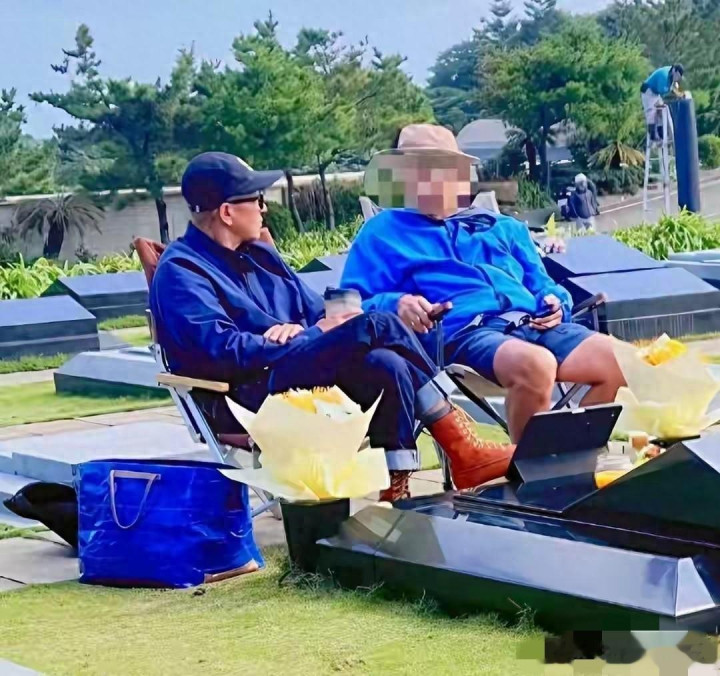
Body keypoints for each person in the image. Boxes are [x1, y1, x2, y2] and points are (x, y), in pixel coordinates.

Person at [149, 151, 515, 502]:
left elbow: (316, 310)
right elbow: (221, 350)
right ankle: (459, 442)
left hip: (299, 374)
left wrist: (329, 322)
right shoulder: (181, 271)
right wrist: (306, 336)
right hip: (247, 393)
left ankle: (395, 487)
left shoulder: (259, 253)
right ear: (227, 212)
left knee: (386, 363)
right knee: (378, 323)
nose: (264, 208)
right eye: (257, 199)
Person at [341, 124, 625, 443]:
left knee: (625, 362)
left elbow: (542, 283)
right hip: (463, 334)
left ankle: (568, 455)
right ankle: (529, 469)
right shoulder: (382, 233)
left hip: (534, 323)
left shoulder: (503, 227)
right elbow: (348, 306)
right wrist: (396, 305)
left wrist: (556, 302)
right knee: (537, 365)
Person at [641, 64, 684, 142]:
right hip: (648, 90)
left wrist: (677, 92)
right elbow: (662, 90)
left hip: (655, 93)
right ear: (674, 70)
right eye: (677, 76)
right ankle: (653, 134)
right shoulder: (664, 75)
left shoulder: (671, 75)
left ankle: (661, 132)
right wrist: (673, 90)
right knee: (652, 111)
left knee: (662, 111)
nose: (677, 79)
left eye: (678, 77)